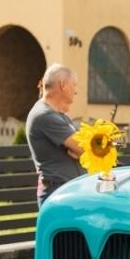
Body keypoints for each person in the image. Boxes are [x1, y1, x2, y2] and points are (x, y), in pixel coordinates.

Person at [25, 64, 84, 203]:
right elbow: (85, 147)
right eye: (74, 85)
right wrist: (80, 151)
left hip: (66, 190)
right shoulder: (44, 115)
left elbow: (83, 147)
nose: (76, 91)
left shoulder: (59, 115)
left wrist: (80, 151)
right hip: (57, 192)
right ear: (63, 85)